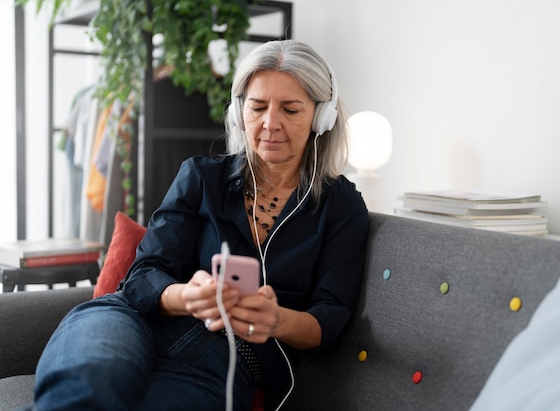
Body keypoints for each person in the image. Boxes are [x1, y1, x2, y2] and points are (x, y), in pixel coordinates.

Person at [30, 39, 370, 410]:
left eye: (290, 110)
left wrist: (276, 320)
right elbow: (145, 273)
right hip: (131, 321)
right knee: (86, 391)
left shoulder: (341, 207)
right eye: (257, 107)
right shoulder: (200, 177)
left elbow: (331, 318)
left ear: (322, 117)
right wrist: (186, 296)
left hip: (224, 360)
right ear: (240, 112)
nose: (270, 124)